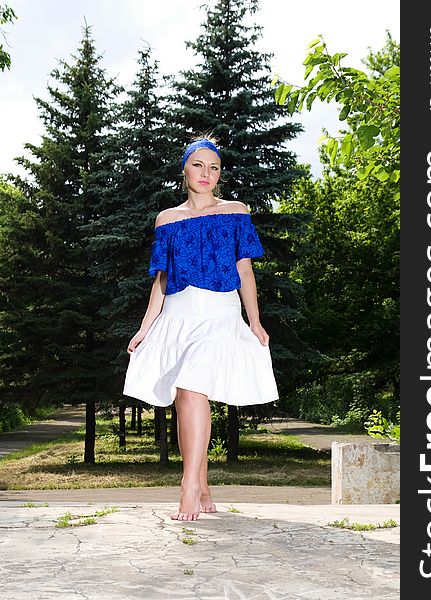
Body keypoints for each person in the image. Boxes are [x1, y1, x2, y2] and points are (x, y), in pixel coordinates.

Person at [123, 135, 279, 521]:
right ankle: (203, 483)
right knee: (184, 398)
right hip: (178, 315)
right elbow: (161, 280)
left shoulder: (236, 212)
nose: (206, 173)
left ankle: (189, 486)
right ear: (184, 169)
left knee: (192, 388)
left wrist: (255, 321)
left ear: (220, 173)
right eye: (198, 165)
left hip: (219, 316)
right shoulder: (167, 219)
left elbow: (245, 269)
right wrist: (145, 328)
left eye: (214, 167)